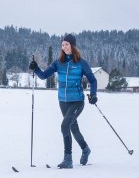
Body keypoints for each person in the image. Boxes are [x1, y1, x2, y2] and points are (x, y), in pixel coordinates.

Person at [29, 34, 98, 169]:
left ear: (72, 46)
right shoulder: (58, 62)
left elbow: (93, 80)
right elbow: (43, 76)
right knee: (73, 127)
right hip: (63, 101)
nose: (64, 47)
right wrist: (36, 68)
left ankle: (68, 159)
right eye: (62, 45)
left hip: (77, 101)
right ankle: (85, 149)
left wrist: (93, 94)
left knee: (64, 126)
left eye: (67, 44)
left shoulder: (81, 63)